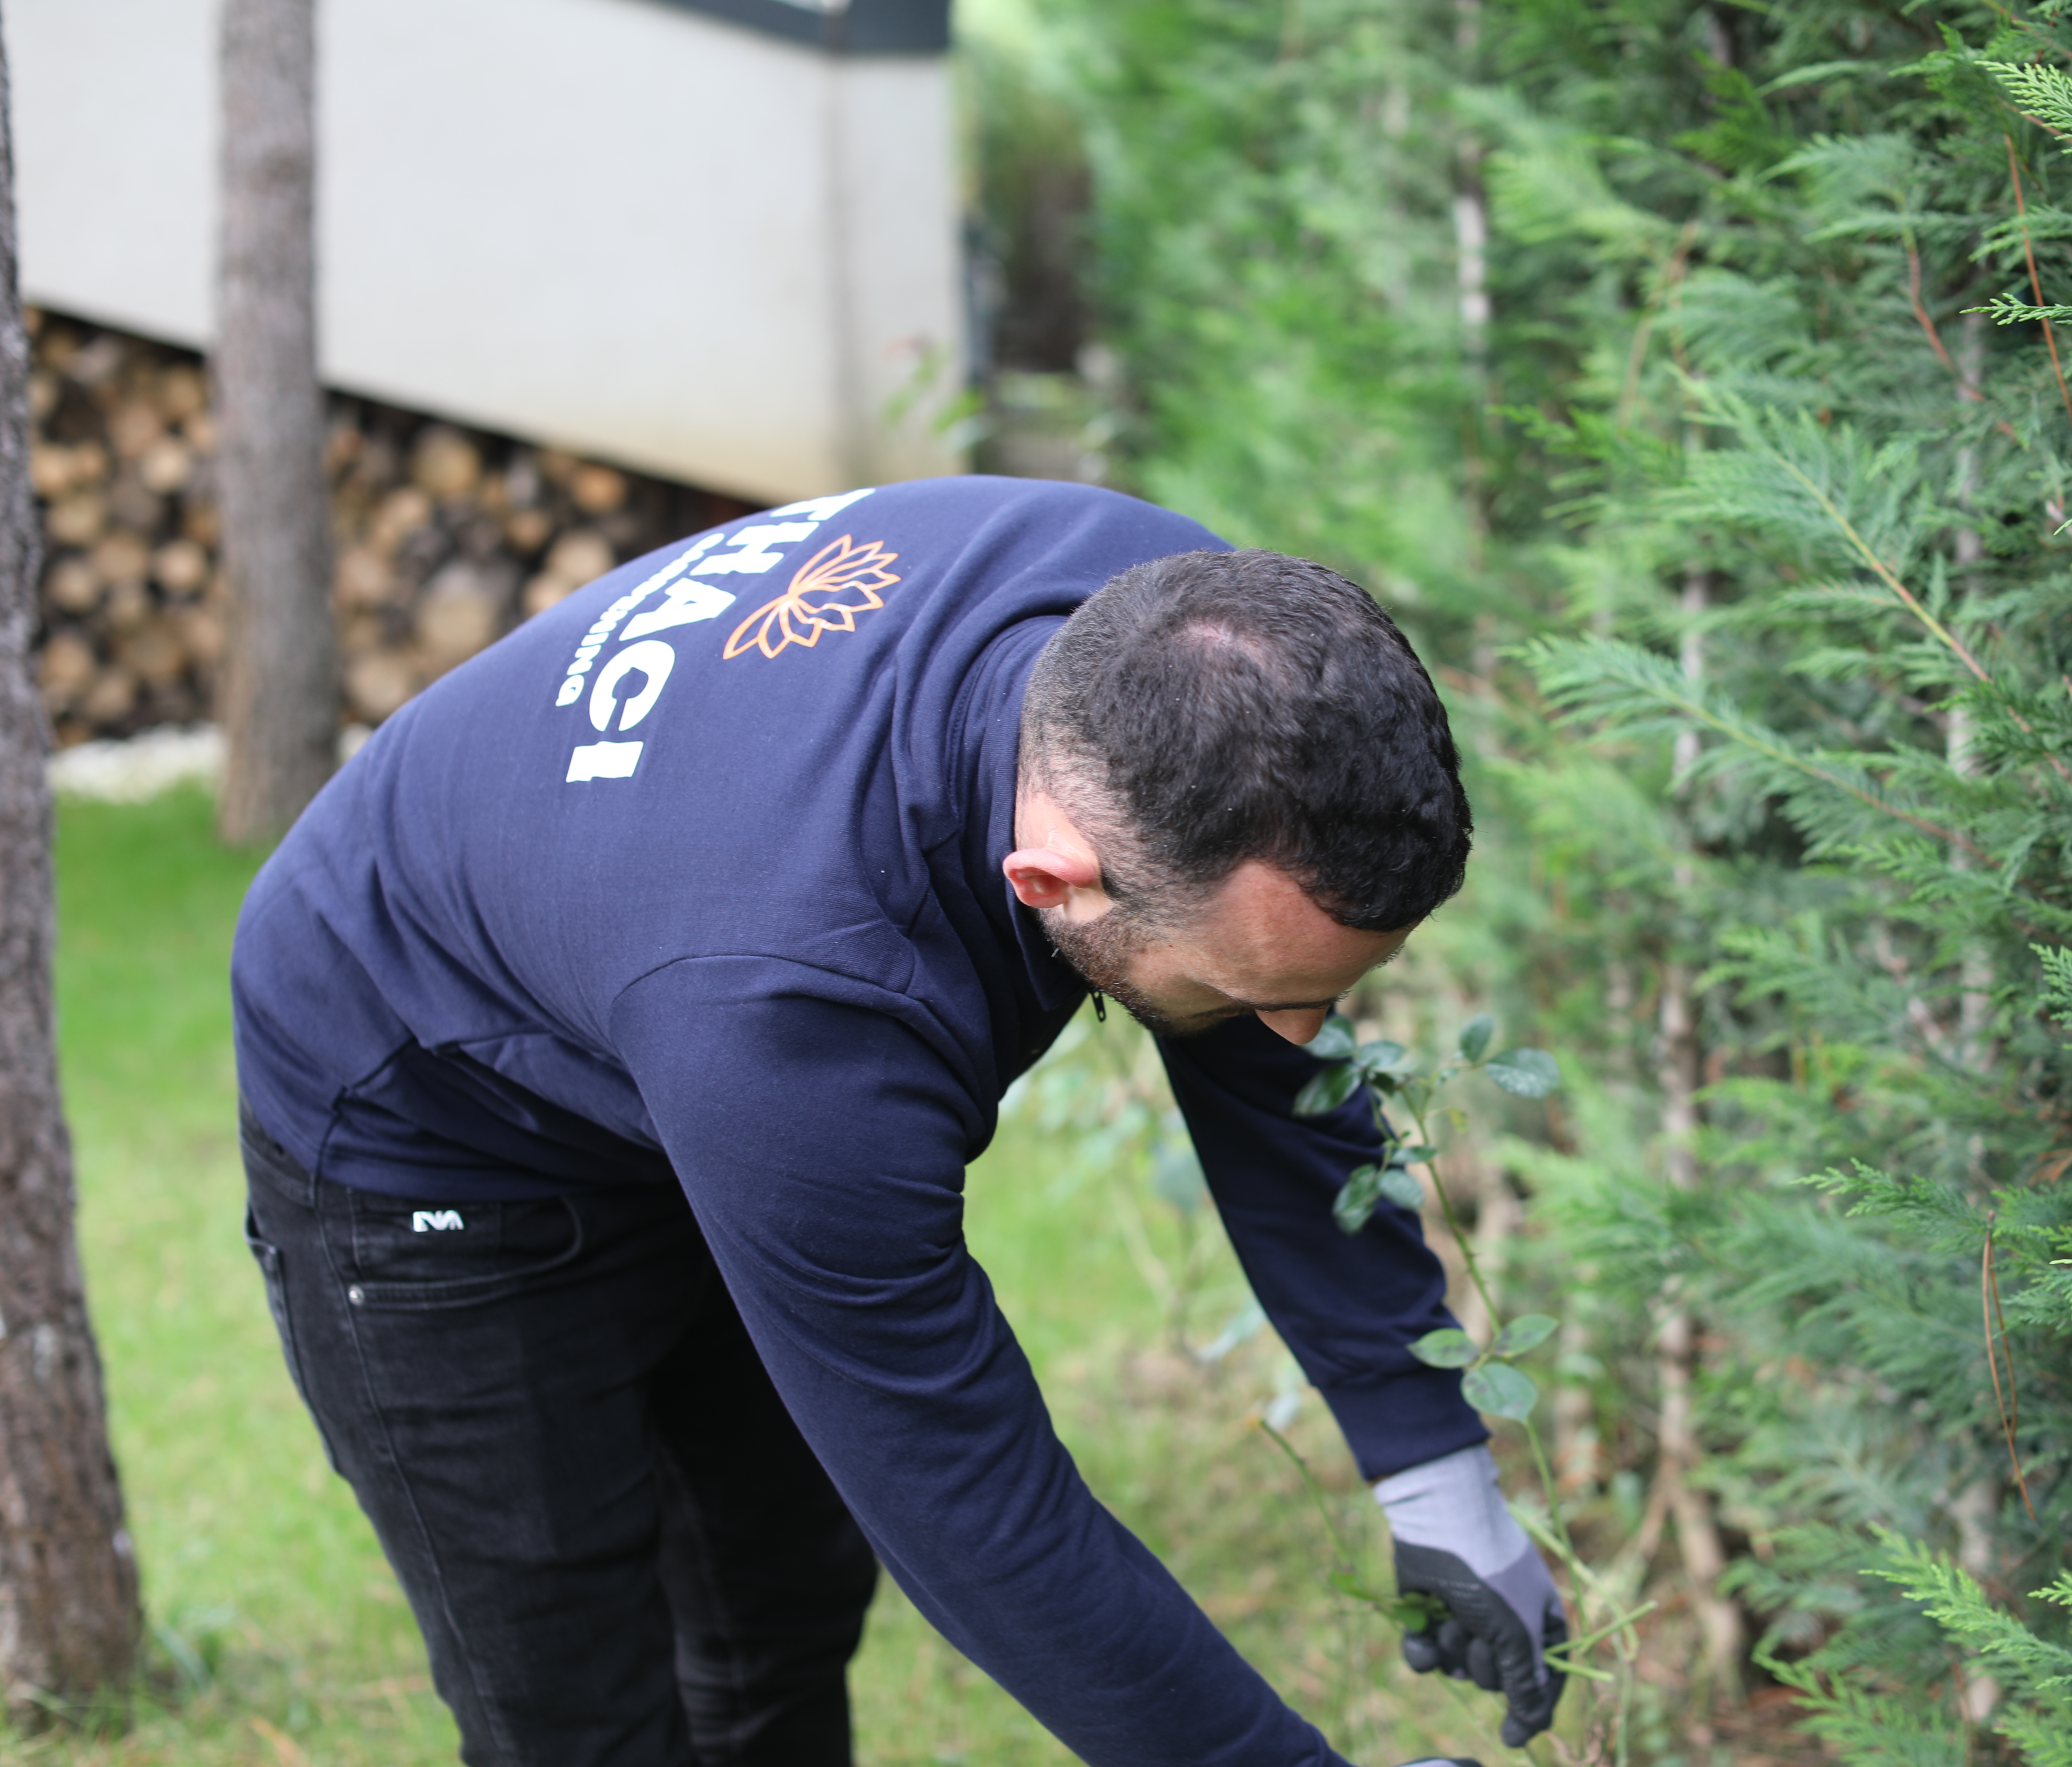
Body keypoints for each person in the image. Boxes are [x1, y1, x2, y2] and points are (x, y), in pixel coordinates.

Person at [231, 475, 1567, 1767]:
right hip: (419, 1108)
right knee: (572, 1698)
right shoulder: (803, 1016)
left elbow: (1275, 1069)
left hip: (653, 978)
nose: (1296, 1040)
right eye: (1248, 993)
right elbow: (966, 1494)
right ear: (1052, 882)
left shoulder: (1185, 646)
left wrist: (1429, 1460)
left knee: (778, 1601)